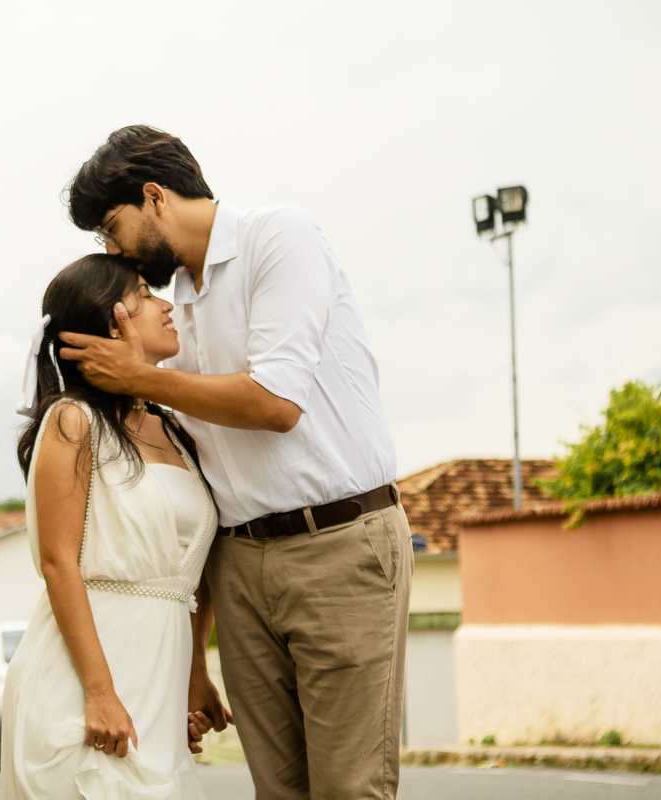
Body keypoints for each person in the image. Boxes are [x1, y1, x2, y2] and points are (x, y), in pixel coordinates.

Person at [59, 126, 414, 800]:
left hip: (339, 547)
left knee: (348, 788)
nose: (112, 250)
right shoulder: (168, 309)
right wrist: (196, 658)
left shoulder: (278, 237)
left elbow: (277, 402)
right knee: (278, 793)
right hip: (238, 566)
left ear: (155, 196)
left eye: (113, 226)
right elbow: (206, 492)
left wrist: (137, 374)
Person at [0, 254, 226, 800]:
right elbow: (58, 564)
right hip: (82, 690)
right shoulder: (73, 422)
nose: (167, 305)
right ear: (109, 321)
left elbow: (194, 577)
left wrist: (194, 671)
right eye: (146, 293)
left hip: (159, 688)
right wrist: (100, 693)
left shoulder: (179, 431)